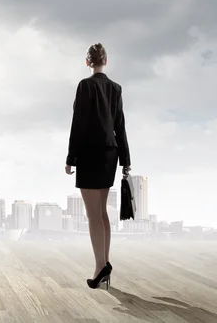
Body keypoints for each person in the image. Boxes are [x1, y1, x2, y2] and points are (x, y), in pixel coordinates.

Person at [64, 43, 131, 289]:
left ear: (87, 62)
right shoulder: (116, 88)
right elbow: (120, 126)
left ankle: (99, 267)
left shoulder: (85, 85)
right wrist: (126, 160)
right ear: (106, 61)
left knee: (94, 215)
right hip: (111, 153)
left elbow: (78, 123)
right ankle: (105, 265)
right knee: (102, 213)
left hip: (90, 153)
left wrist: (71, 157)